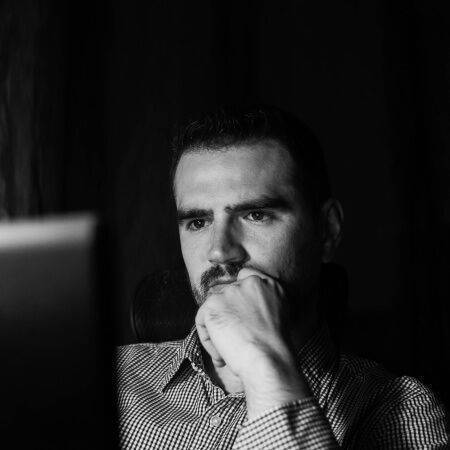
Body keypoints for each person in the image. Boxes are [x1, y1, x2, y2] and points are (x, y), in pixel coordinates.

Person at [116, 105, 448, 449]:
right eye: (198, 222)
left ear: (327, 231)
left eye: (256, 215)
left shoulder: (402, 414)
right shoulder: (112, 380)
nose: (220, 251)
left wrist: (267, 369)